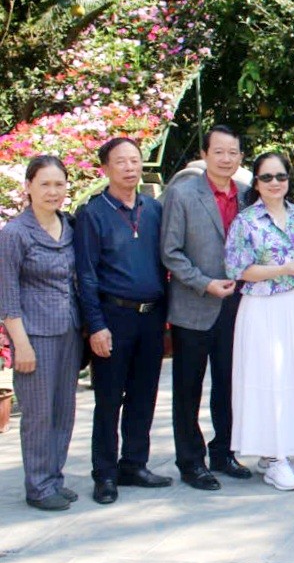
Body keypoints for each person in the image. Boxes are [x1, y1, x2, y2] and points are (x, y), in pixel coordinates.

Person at [75, 137, 173, 505]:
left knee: (144, 395)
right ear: (106, 168)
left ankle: (134, 463)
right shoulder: (92, 213)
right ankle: (104, 473)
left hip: (151, 315)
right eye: (121, 161)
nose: (130, 167)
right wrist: (95, 325)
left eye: (135, 160)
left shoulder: (153, 209)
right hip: (112, 316)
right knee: (108, 398)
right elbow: (85, 274)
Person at [160, 125, 252, 491]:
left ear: (241, 156)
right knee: (188, 387)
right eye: (219, 151)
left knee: (230, 384)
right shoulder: (182, 194)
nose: (226, 158)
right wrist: (205, 283)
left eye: (233, 152)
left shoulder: (247, 195)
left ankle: (224, 451)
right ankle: (190, 461)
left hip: (237, 306)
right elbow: (170, 253)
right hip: (194, 306)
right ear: (204, 154)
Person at [225, 152, 294, 491]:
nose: (275, 183)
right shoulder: (246, 222)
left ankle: (282, 451)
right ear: (256, 183)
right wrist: (282, 270)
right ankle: (274, 460)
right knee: (269, 380)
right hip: (262, 308)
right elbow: (238, 269)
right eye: (266, 177)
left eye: (280, 176)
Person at [0, 156, 82, 510]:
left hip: (69, 330)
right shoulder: (16, 233)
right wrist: (21, 344)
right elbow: (6, 294)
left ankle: (54, 477)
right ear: (29, 186)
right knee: (38, 414)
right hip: (34, 335)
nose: (53, 191)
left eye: (59, 184)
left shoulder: (70, 226)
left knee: (64, 409)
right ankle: (38, 485)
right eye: (45, 184)